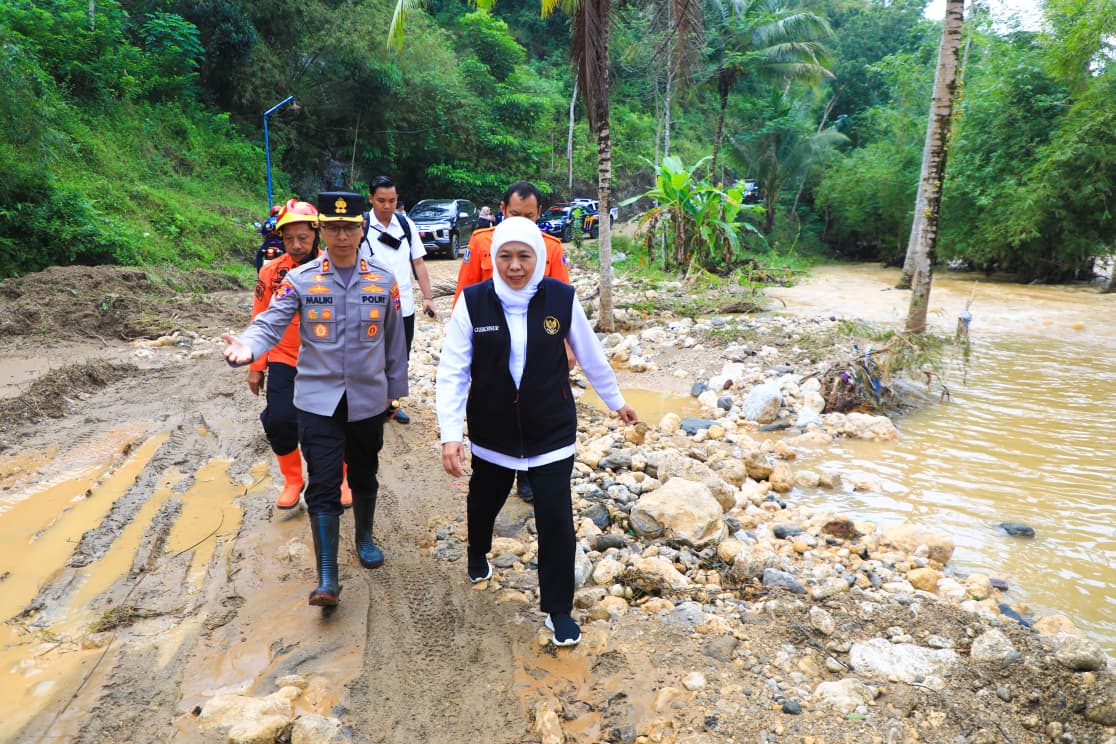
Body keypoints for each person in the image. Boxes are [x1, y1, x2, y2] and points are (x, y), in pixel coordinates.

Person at [436, 217, 638, 646]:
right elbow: (452, 371)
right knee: (484, 500)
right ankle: (477, 550)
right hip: (493, 431)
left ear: (540, 258)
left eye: (524, 256)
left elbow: (591, 355)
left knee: (556, 519)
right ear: (493, 259)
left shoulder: (561, 299)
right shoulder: (473, 302)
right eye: (505, 256)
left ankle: (559, 609)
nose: (514, 266)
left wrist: (616, 401)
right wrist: (451, 434)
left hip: (551, 432)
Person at [223, 191, 408, 607]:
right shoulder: (300, 280)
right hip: (317, 400)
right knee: (323, 482)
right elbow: (270, 322)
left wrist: (396, 392)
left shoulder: (383, 279)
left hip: (367, 398)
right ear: (321, 230)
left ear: (362, 230)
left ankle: (363, 537)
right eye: (333, 228)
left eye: (350, 227)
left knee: (363, 474)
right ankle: (328, 577)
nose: (342, 236)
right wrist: (249, 349)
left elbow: (395, 342)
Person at [454, 181, 573, 502]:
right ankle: (495, 469)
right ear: (502, 210)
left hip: (537, 339)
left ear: (539, 215)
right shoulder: (481, 244)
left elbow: (563, 304)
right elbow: (466, 293)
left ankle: (528, 474)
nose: (522, 220)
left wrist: (565, 348)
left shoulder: (549, 248)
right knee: (496, 404)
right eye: (515, 214)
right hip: (491, 338)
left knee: (533, 401)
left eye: (530, 216)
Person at [248, 198, 352, 510]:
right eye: (289, 238)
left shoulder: (334, 269)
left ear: (316, 235)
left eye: (303, 238)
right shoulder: (270, 273)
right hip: (284, 356)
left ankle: (341, 477)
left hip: (326, 360)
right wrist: (256, 364)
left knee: (335, 420)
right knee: (279, 420)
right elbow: (260, 316)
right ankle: (293, 479)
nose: (295, 245)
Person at [361, 175, 436, 425]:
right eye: (381, 200)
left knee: (400, 357)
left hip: (402, 305)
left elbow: (418, 262)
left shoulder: (406, 225)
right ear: (371, 199)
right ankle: (371, 402)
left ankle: (392, 403)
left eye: (392, 200)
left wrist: (427, 297)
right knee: (371, 354)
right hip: (368, 305)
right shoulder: (360, 226)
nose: (387, 206)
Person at [254, 204, 286, 271]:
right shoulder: (284, 221)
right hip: (281, 244)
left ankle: (260, 273)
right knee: (288, 256)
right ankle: (287, 273)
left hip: (268, 243)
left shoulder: (268, 221)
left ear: (272, 212)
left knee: (259, 255)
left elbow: (263, 232)